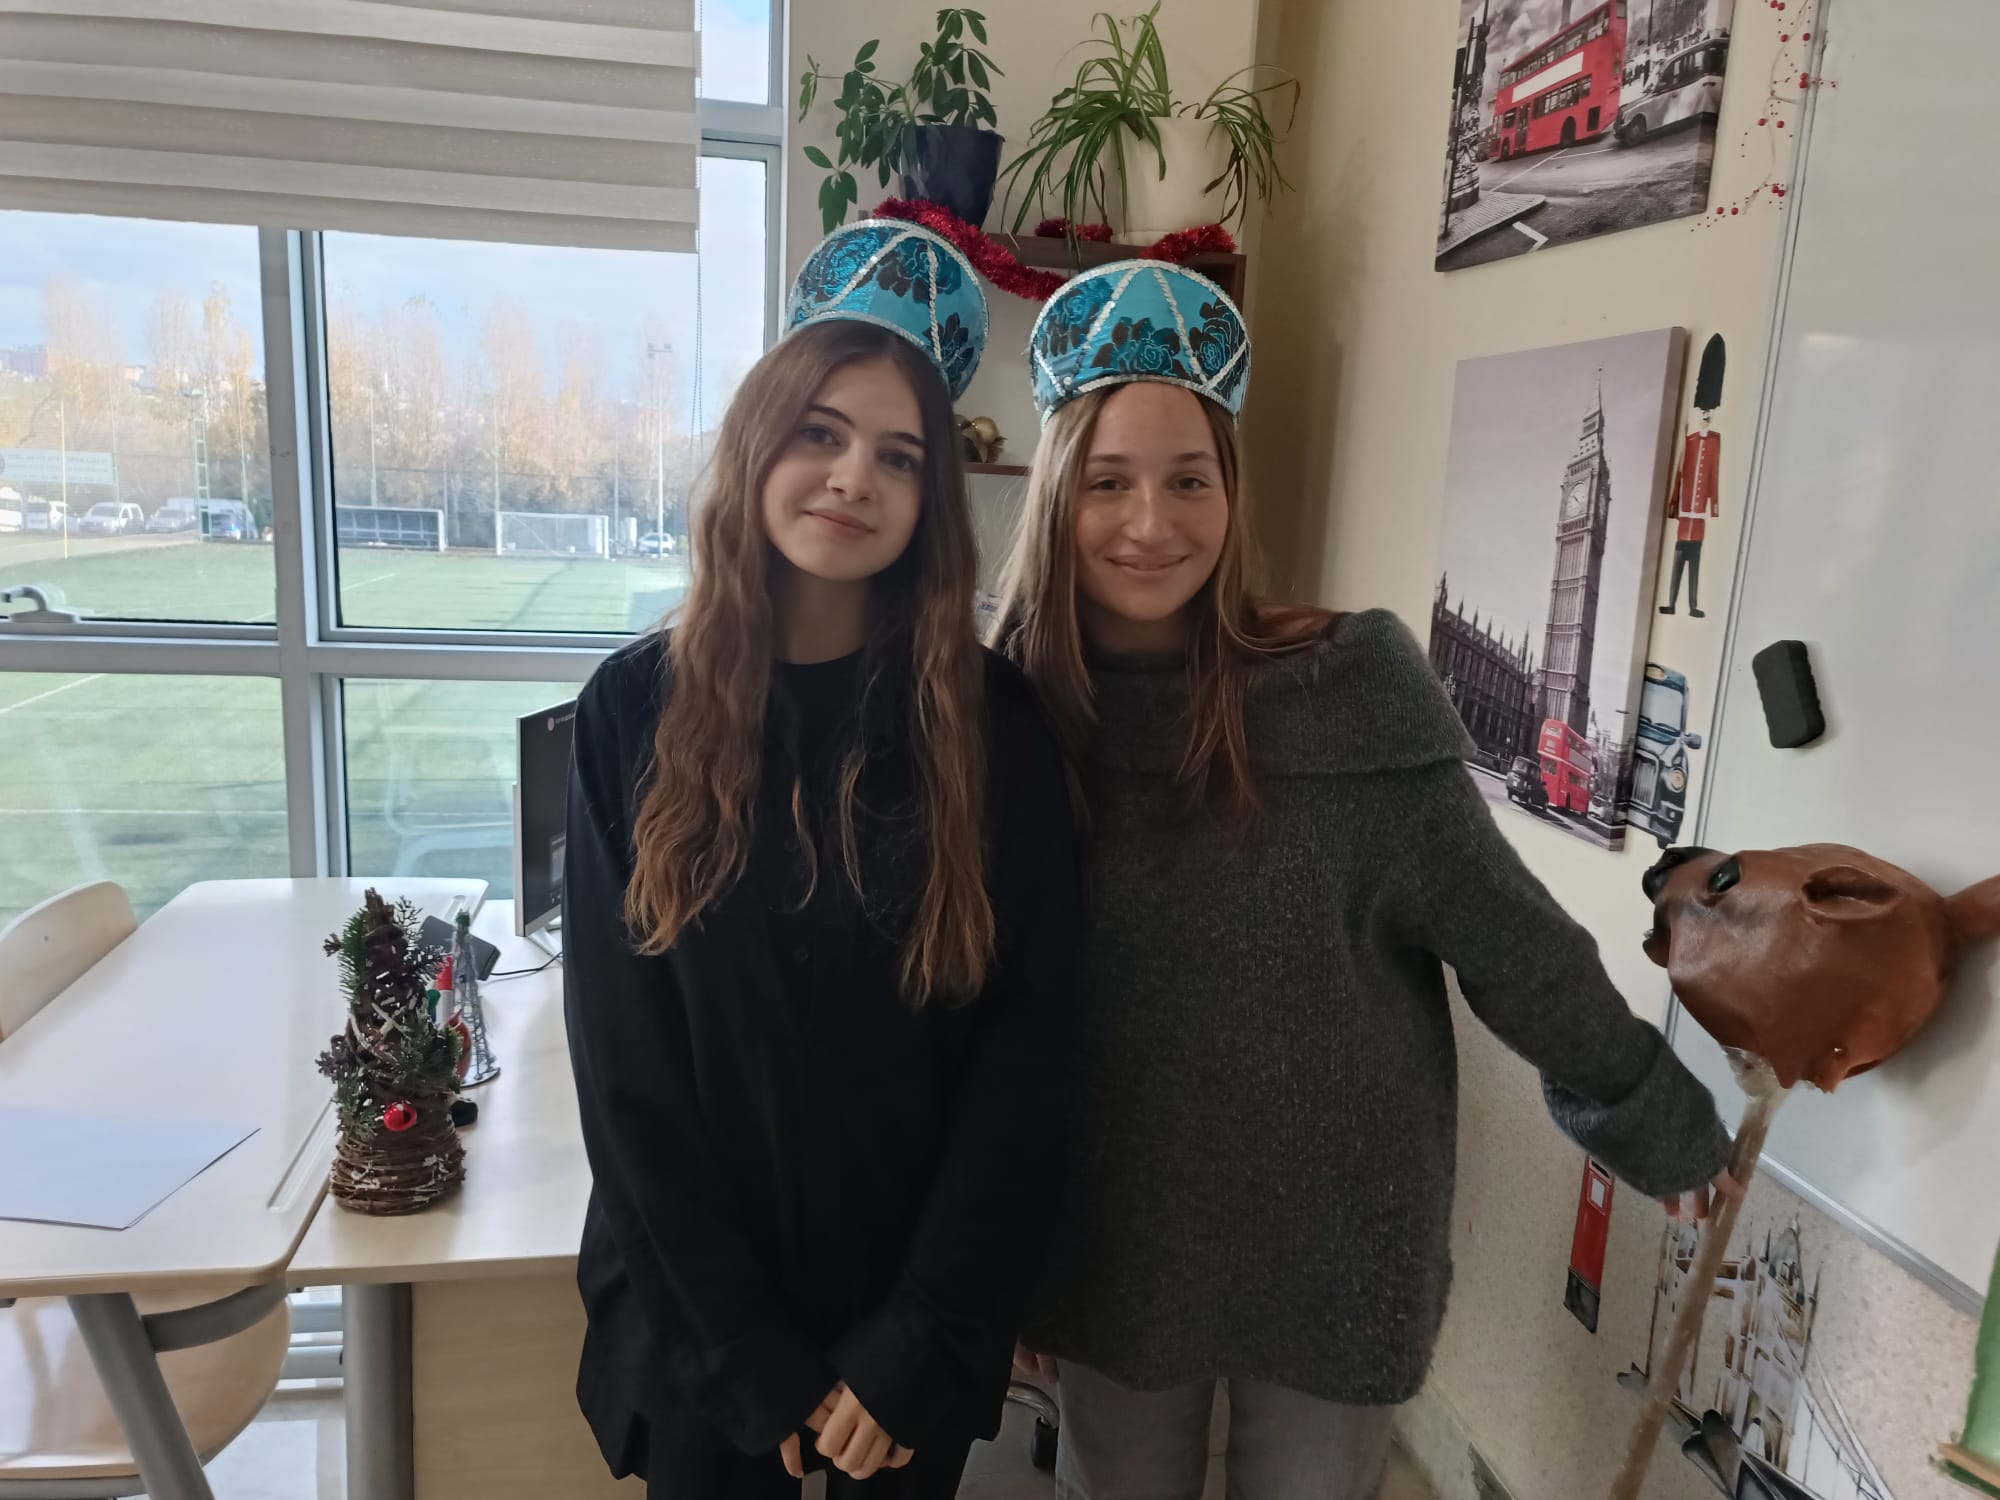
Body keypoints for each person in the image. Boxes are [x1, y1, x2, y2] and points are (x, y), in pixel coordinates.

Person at [991, 261, 1736, 1500]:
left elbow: (1515, 947)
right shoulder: (1001, 714)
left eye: (1189, 479)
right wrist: (984, 1253)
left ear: (1232, 492)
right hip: (1103, 1234)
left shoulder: (1347, 689)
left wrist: (1653, 1118)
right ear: (1056, 491)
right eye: (1107, 482)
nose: (1150, 522)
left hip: (1333, 1247)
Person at [564, 220, 1080, 1500]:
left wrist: (917, 1344)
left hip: (909, 1325)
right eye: (820, 434)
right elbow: (626, 1075)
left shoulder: (992, 723)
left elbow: (1026, 1058)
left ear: (929, 500)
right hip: (701, 1326)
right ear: (758, 446)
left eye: (897, 457)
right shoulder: (631, 711)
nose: (854, 478)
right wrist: (745, 1358)